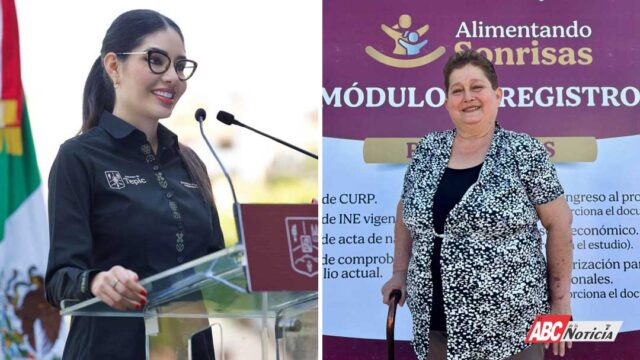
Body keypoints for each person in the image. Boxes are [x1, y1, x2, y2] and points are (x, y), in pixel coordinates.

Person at [45, 9, 224, 359]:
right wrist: (96, 281)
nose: (172, 77)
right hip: (109, 349)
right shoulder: (79, 157)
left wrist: (282, 241)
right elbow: (58, 280)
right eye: (156, 61)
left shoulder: (191, 163)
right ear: (114, 66)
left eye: (180, 65)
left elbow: (220, 273)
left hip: (190, 350)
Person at [381, 50, 573, 360]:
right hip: (435, 330)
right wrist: (399, 272)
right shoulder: (429, 149)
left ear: (497, 95)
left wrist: (561, 305)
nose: (467, 96)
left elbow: (559, 223)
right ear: (447, 102)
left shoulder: (523, 150)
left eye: (477, 87)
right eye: (457, 90)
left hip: (514, 330)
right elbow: (406, 211)